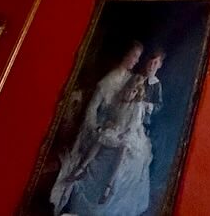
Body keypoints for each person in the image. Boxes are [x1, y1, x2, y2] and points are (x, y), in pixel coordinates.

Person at [51, 41, 148, 215]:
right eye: (134, 56)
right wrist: (97, 128)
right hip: (103, 127)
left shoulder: (131, 79)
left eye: (138, 57)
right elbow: (91, 111)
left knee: (135, 159)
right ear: (125, 54)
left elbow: (133, 107)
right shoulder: (107, 81)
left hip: (122, 128)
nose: (135, 60)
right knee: (104, 149)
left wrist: (131, 129)